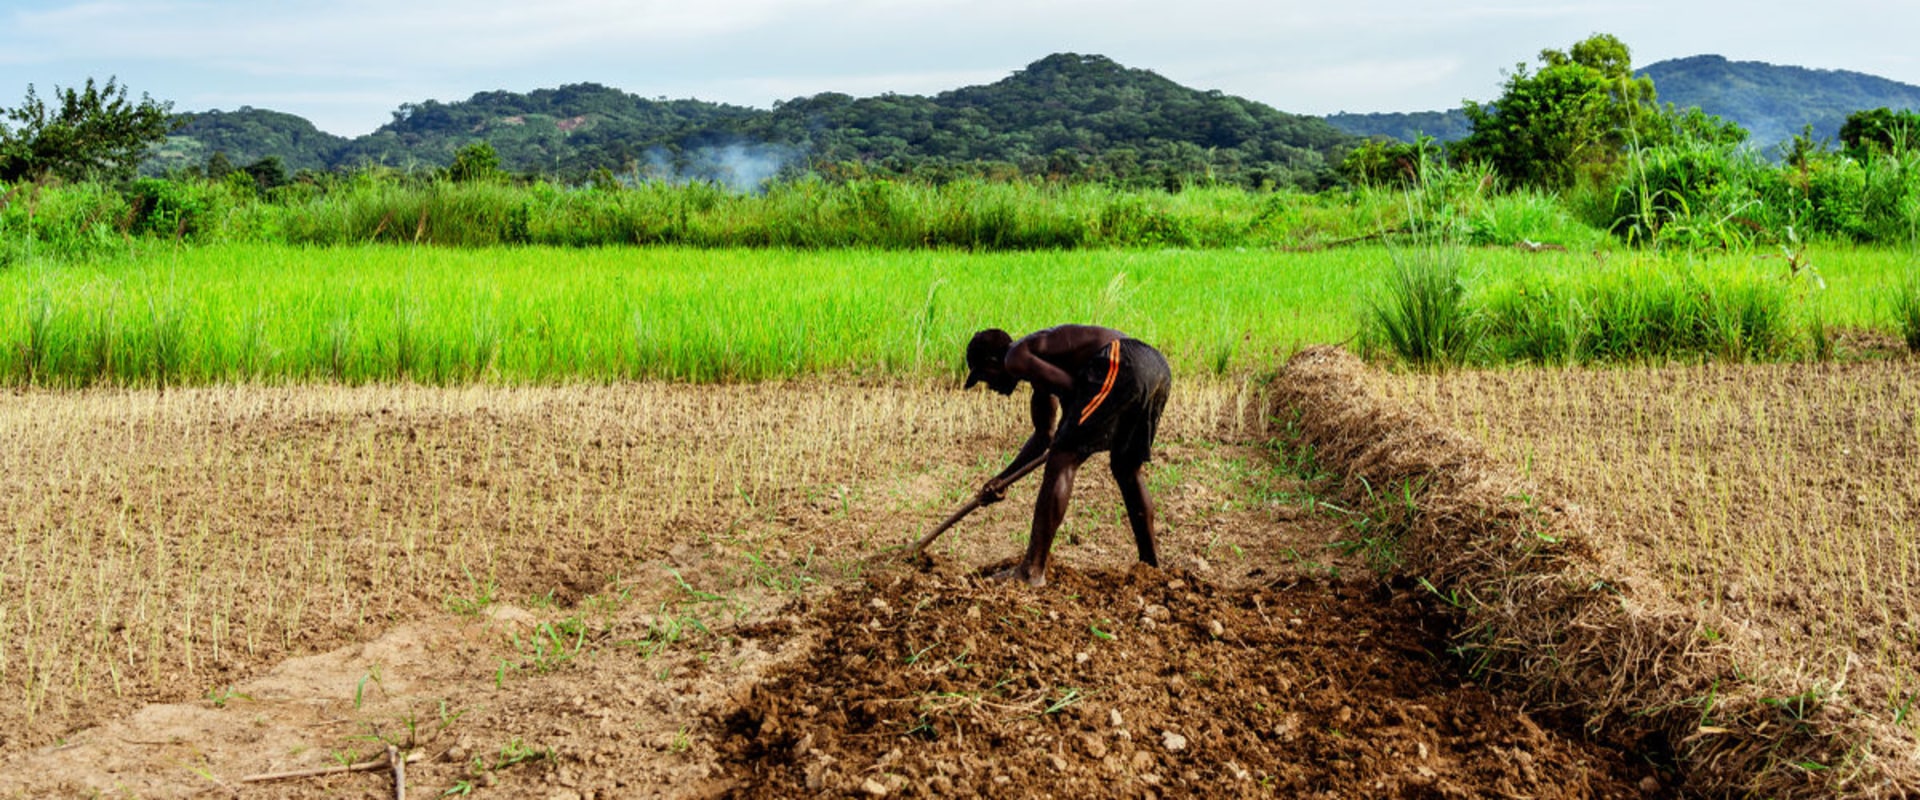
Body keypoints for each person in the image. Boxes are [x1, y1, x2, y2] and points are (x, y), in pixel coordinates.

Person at [963, 325, 1171, 587]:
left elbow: (1074, 391)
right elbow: (1043, 437)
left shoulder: (1014, 357)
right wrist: (1002, 479)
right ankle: (1151, 568)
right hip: (1155, 366)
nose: (989, 386)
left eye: (984, 375)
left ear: (994, 360)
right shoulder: (1035, 365)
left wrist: (1069, 436)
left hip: (1121, 360)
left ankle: (1032, 570)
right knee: (1126, 467)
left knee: (1063, 458)